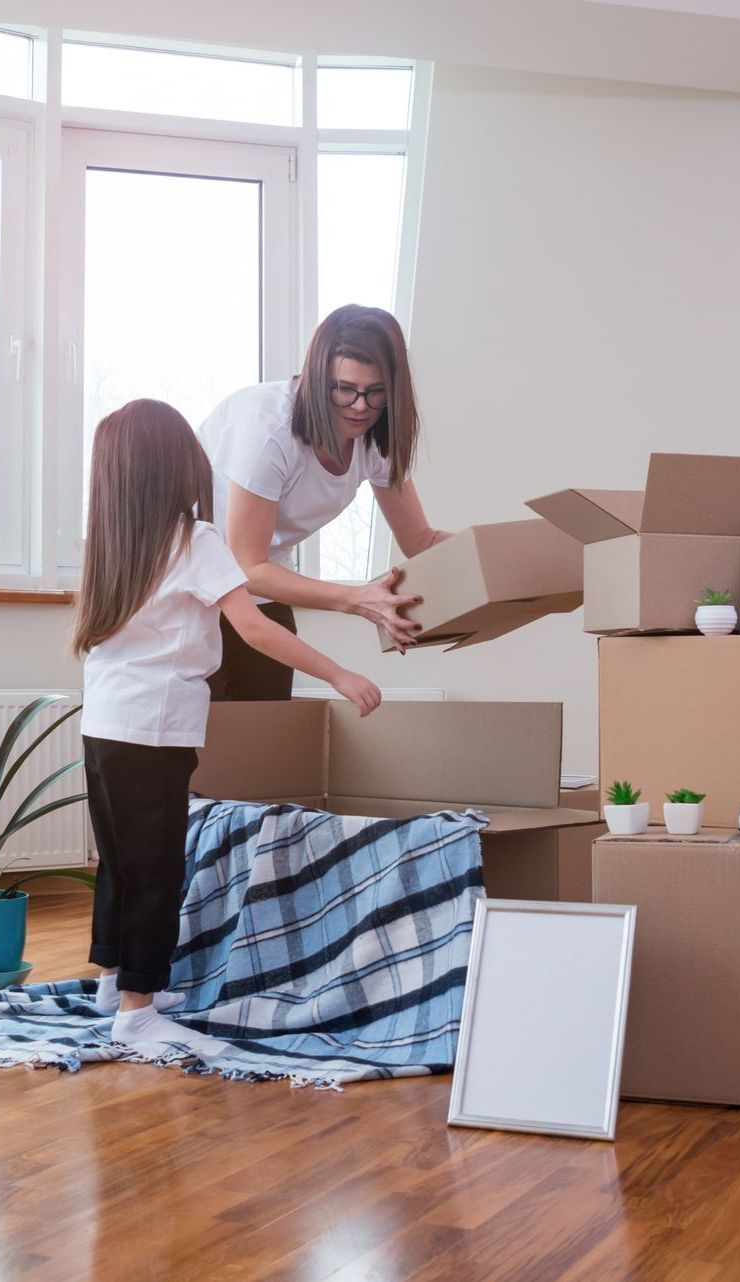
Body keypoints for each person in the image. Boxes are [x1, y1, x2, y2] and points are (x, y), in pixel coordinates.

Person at [72, 399, 381, 1054]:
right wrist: (338, 673)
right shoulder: (195, 541)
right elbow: (255, 626)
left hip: (103, 723)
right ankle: (137, 1011)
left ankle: (112, 979)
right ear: (180, 467)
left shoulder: (112, 544)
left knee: (120, 860)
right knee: (156, 868)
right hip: (157, 730)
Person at [197, 304, 451, 700]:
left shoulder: (375, 439)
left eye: (377, 391)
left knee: (267, 732)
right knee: (207, 741)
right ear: (317, 378)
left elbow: (420, 539)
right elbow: (246, 565)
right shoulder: (266, 431)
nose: (361, 406)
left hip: (263, 580)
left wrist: (497, 555)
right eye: (345, 389)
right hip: (197, 584)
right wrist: (355, 599)